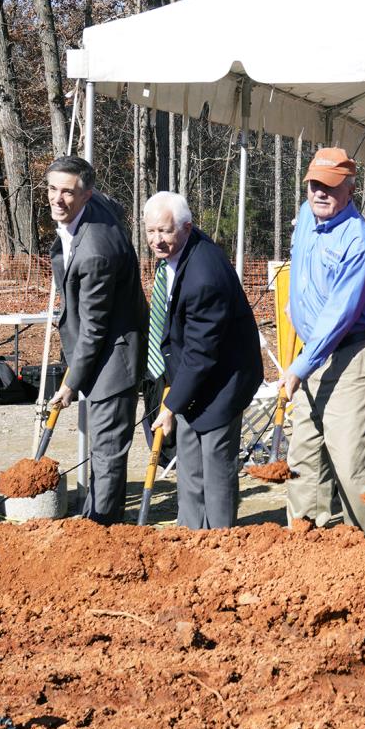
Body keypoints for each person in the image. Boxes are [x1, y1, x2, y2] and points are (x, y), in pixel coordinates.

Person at [280, 147, 365, 536]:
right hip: (313, 354)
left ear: (350, 188)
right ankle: (305, 541)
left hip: (353, 354)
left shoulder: (358, 240)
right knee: (303, 457)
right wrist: (295, 309)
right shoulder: (304, 216)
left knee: (351, 463)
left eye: (329, 186)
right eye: (313, 184)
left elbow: (339, 316)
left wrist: (299, 366)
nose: (319, 193)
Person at [142, 191, 261, 530]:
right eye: (150, 231)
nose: (156, 240)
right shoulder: (183, 252)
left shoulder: (204, 277)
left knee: (215, 468)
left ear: (187, 227)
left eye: (164, 231)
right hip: (196, 381)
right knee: (190, 463)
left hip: (222, 382)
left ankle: (221, 541)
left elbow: (200, 353)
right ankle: (191, 534)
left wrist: (170, 405)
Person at [44, 155, 145, 525]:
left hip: (113, 359)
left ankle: (103, 529)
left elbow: (93, 328)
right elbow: (111, 202)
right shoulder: (93, 208)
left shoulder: (95, 253)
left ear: (86, 195)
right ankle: (96, 520)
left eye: (67, 192)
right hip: (102, 350)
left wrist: (71, 383)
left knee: (106, 451)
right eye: (52, 189)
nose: (57, 199)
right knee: (104, 449)